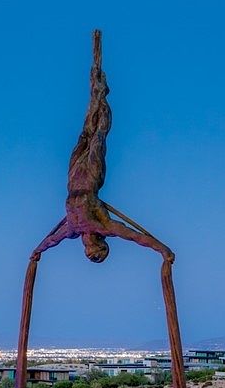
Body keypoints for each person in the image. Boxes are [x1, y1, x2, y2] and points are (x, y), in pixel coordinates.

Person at [33, 30, 174, 264]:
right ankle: (100, 94)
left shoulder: (72, 228)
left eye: (87, 253)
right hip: (90, 178)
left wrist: (38, 250)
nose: (86, 248)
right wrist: (162, 249)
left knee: (86, 133)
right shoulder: (103, 225)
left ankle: (96, 93)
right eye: (93, 251)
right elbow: (135, 236)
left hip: (74, 179)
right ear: (100, 243)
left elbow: (51, 241)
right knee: (97, 134)